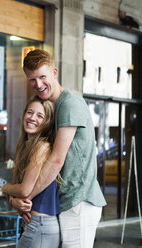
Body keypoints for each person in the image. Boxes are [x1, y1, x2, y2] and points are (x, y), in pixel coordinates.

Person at [11, 49, 106, 248]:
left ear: (54, 73)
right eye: (32, 79)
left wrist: (26, 197)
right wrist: (16, 198)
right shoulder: (52, 108)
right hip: (64, 203)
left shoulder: (70, 103)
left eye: (42, 77)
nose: (38, 84)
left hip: (79, 201)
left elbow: (56, 160)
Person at [2, 96, 60, 248]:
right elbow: (20, 194)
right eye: (30, 112)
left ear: (47, 123)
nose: (32, 118)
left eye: (40, 116)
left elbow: (24, 190)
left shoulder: (42, 147)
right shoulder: (25, 146)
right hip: (35, 226)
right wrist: (13, 201)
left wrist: (4, 188)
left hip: (40, 227)